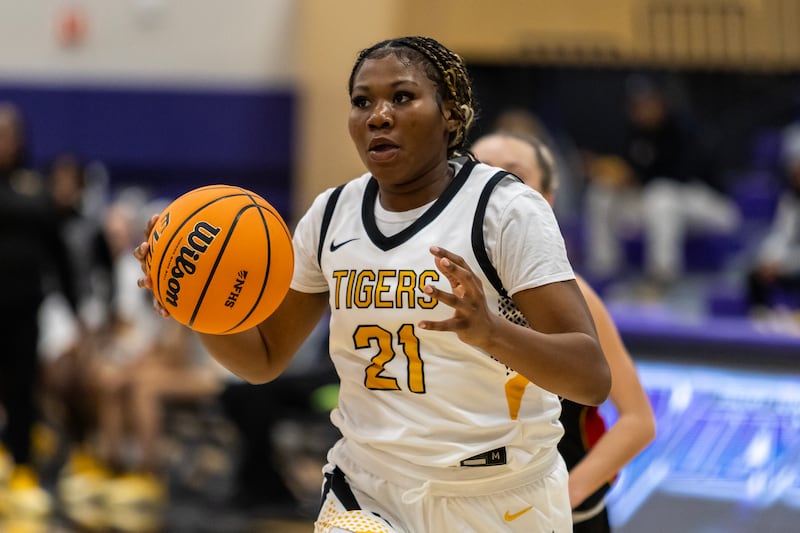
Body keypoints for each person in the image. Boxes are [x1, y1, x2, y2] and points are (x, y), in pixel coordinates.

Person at [135, 35, 610, 532]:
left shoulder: (506, 211)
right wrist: (197, 307)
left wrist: (491, 332)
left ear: (450, 114)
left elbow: (591, 377)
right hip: (368, 490)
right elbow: (263, 358)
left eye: (402, 97)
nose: (378, 115)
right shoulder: (331, 216)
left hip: (500, 498)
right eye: (362, 102)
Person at [471, 131, 656, 532]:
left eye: (513, 176)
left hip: (560, 516)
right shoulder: (447, 288)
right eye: (479, 174)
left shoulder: (575, 295)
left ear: (546, 200)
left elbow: (638, 421)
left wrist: (565, 497)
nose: (492, 189)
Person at [583, 74, 740, 289]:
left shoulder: (686, 130)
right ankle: (604, 270)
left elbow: (681, 176)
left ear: (661, 102)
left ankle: (662, 277)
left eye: (647, 103)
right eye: (636, 105)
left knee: (661, 195)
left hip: (711, 206)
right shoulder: (636, 133)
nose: (640, 110)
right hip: (660, 204)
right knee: (601, 192)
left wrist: (634, 178)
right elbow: (634, 173)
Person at [0, 102, 81, 519]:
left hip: (22, 311)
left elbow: (60, 257)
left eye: (9, 133)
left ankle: (22, 468)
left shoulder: (35, 190)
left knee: (21, 390)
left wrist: (76, 309)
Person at [746, 121, 800, 313]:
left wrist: (787, 264)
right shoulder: (790, 199)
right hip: (791, 263)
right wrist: (769, 260)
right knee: (756, 273)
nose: (796, 174)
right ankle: (759, 322)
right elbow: (781, 234)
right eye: (794, 170)